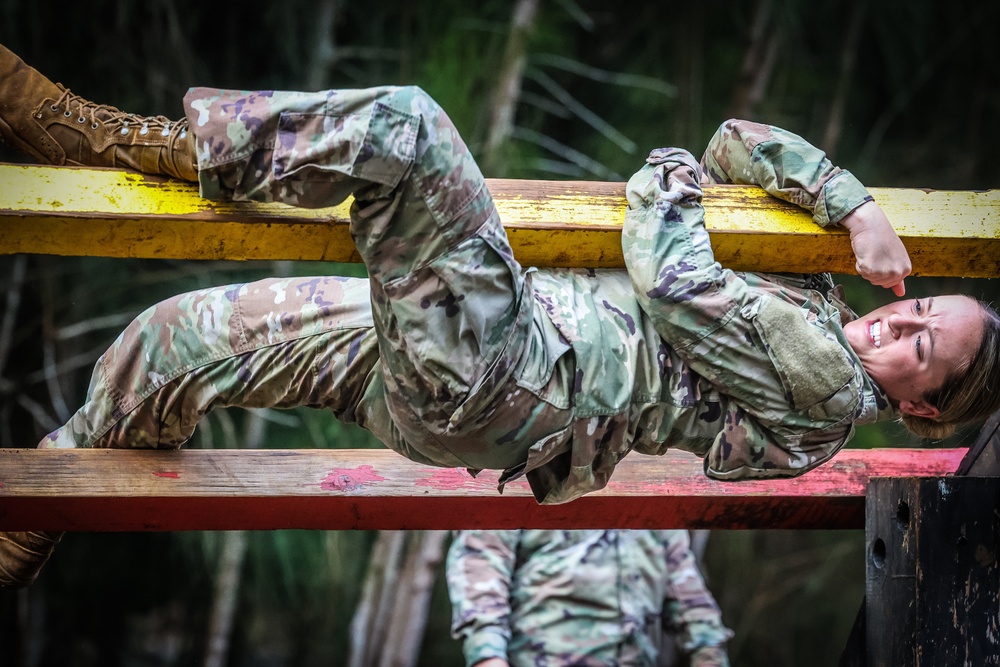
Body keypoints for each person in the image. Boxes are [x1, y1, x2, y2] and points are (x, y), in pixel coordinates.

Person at [1, 43, 998, 588]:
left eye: (922, 355)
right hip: (481, 367)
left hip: (511, 369)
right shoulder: (820, 306)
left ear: (918, 410)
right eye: (920, 313)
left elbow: (669, 273)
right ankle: (40, 507)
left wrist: (666, 172)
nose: (896, 332)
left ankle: (110, 139)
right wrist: (852, 205)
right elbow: (738, 143)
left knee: (409, 128)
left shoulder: (825, 386)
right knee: (181, 337)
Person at [446, 529, 731, 667]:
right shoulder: (527, 465)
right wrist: (488, 655)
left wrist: (710, 656)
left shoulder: (654, 496)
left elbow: (687, 592)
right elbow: (481, 557)